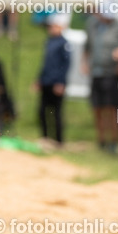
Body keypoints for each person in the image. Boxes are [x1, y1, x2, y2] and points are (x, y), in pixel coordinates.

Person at [84, 8, 118, 153]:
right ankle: (101, 140)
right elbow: (88, 47)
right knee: (97, 107)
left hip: (112, 73)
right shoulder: (92, 25)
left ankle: (114, 141)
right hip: (96, 72)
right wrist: (85, 63)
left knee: (112, 108)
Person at [37, 14, 71, 146]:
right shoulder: (49, 41)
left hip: (56, 82)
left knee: (56, 113)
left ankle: (58, 140)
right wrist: (39, 79)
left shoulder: (64, 43)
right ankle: (45, 137)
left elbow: (66, 65)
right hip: (46, 81)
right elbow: (45, 64)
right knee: (42, 111)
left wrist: (61, 82)